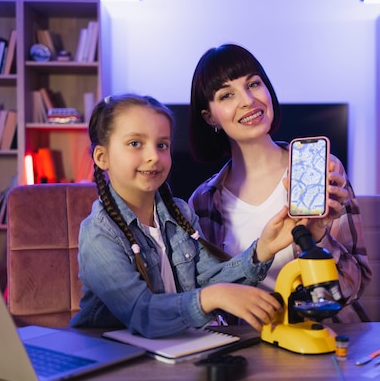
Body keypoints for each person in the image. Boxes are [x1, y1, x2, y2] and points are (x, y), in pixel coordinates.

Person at [70, 93, 301, 338]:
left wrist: (263, 249)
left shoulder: (179, 213)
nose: (153, 156)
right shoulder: (98, 233)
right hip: (117, 363)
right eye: (135, 143)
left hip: (174, 350)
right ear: (102, 158)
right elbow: (142, 314)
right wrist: (210, 297)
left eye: (162, 145)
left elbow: (212, 281)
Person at [188, 44, 373, 322]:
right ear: (210, 117)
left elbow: (352, 287)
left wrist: (319, 235)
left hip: (326, 342)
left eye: (253, 84)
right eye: (227, 94)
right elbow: (211, 300)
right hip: (249, 350)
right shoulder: (202, 203)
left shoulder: (320, 171)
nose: (248, 100)